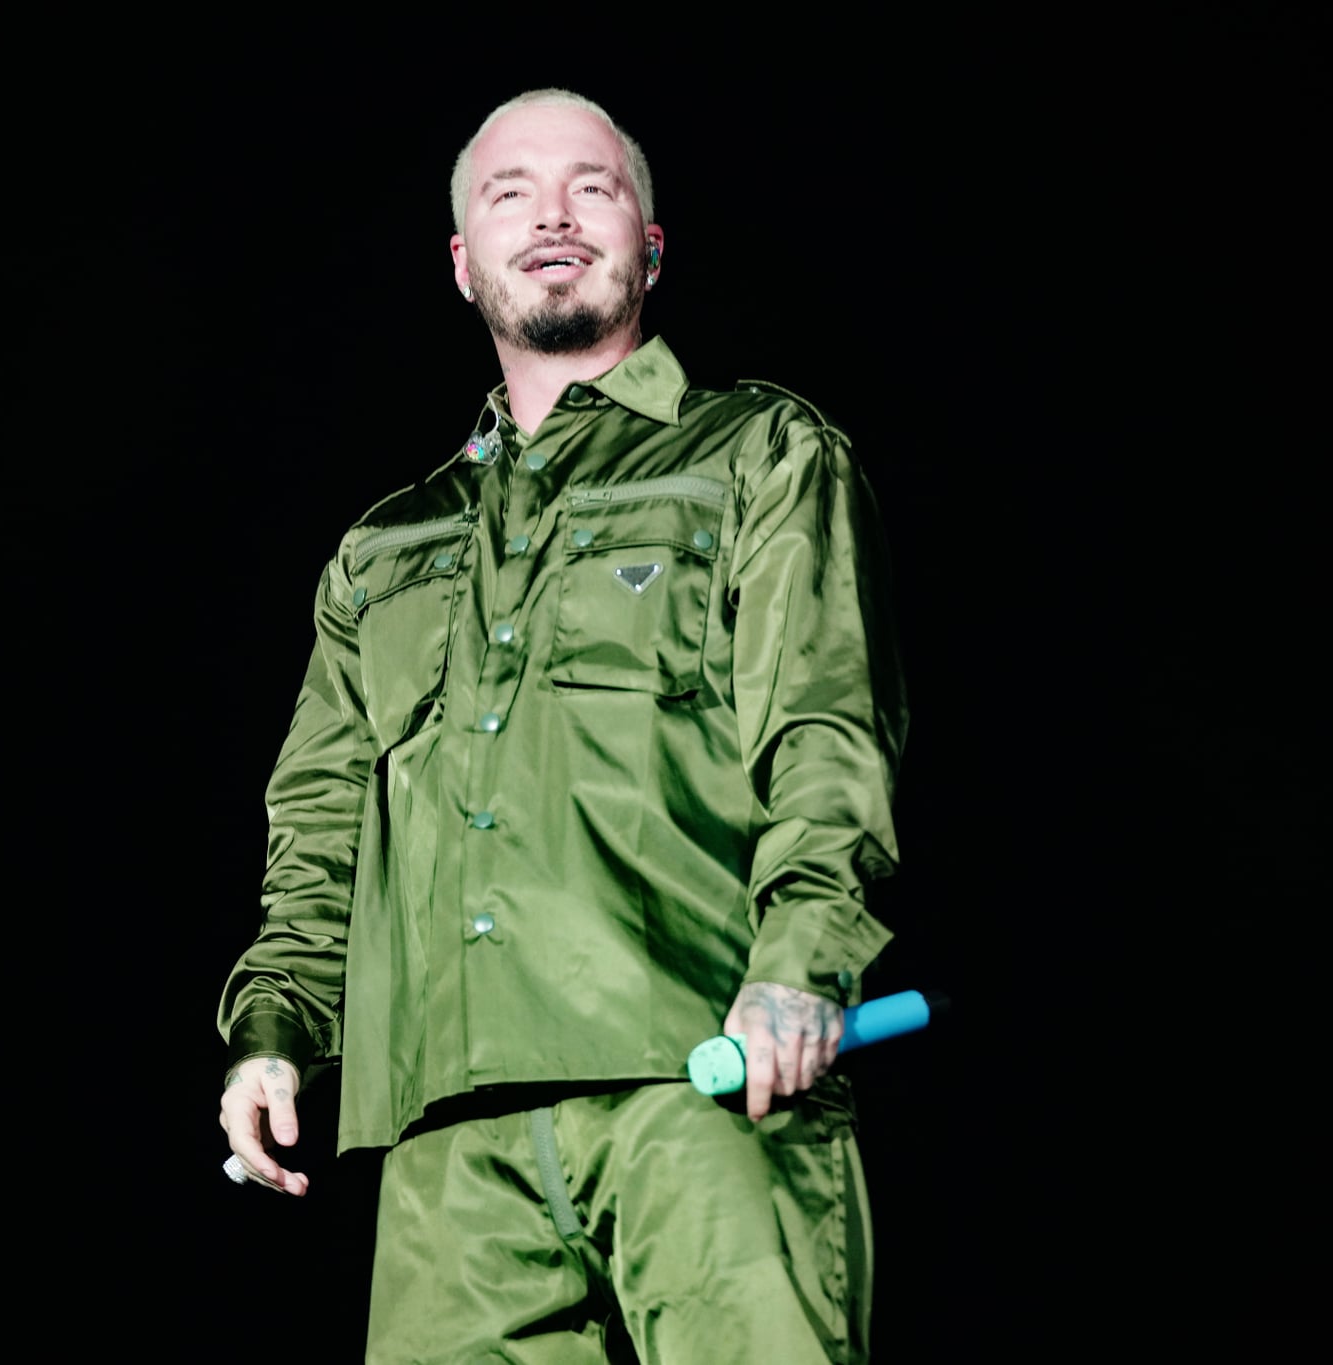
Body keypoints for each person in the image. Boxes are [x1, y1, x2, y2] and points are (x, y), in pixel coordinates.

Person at [218, 88, 907, 1363]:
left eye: (591, 186)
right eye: (507, 192)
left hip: (701, 1083)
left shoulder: (754, 453)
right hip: (444, 1140)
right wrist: (274, 1037)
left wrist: (801, 963)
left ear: (647, 243)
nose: (550, 213)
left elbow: (824, 730)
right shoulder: (386, 548)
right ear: (461, 263)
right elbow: (318, 825)